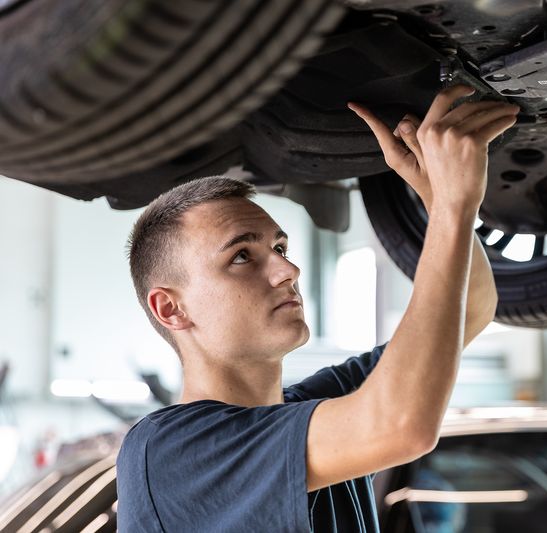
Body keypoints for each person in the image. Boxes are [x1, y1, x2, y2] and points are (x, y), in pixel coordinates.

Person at [115, 84, 519, 532]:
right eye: (242, 257)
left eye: (281, 247)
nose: (288, 269)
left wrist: (435, 199)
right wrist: (453, 208)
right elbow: (402, 424)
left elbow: (471, 311)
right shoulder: (170, 449)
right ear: (171, 309)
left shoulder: (311, 408)